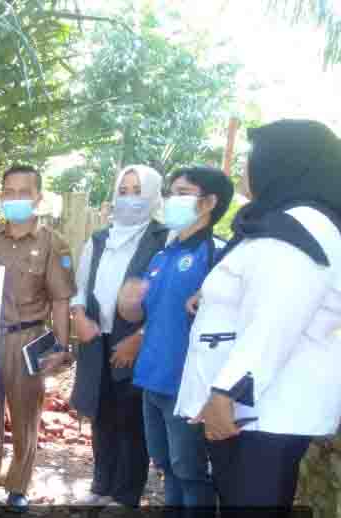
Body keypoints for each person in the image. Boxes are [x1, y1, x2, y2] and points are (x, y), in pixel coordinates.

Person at [175, 120, 341, 512]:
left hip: (262, 413)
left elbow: (276, 320)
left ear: (284, 161)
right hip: (258, 412)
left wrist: (226, 393)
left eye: (254, 157)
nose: (245, 167)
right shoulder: (282, 222)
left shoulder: (301, 226)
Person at [116, 166, 234, 510]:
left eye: (183, 193)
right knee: (166, 466)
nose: (171, 200)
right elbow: (146, 315)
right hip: (152, 377)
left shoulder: (219, 255)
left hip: (188, 384)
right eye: (171, 192)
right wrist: (129, 303)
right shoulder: (162, 255)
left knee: (190, 471)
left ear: (209, 202)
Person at [0, 164, 75, 512]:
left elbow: (60, 299)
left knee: (25, 415)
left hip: (27, 338)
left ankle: (19, 486)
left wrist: (60, 346)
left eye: (24, 192)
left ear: (38, 197)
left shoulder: (53, 243)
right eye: (9, 192)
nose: (15, 198)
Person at [69, 165, 167, 507]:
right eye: (123, 190)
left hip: (139, 342)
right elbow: (80, 288)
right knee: (101, 412)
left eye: (137, 190)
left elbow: (168, 301)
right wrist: (78, 315)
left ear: (154, 194)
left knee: (131, 417)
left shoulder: (164, 239)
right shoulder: (99, 239)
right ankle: (101, 484)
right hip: (98, 338)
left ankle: (126, 493)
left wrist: (139, 338)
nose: (129, 199)